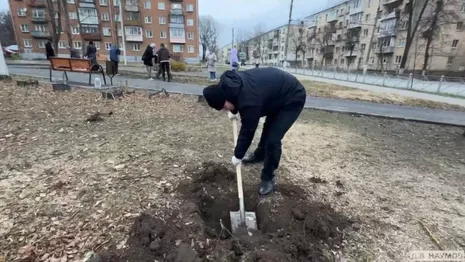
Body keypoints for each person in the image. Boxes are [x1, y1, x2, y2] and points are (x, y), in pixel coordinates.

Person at [202, 68, 306, 196]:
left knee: (273, 139)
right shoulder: (228, 85)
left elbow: (248, 130)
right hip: (274, 96)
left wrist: (238, 155)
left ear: (225, 98)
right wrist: (233, 111)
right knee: (268, 127)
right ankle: (260, 155)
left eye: (224, 107)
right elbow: (235, 102)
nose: (225, 110)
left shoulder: (248, 101)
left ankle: (268, 177)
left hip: (292, 97)